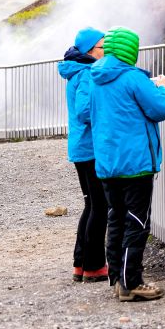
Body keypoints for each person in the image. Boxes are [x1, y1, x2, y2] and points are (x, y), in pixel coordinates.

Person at [88, 26, 165, 302]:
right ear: (130, 50)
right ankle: (130, 282)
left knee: (116, 219)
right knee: (137, 222)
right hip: (135, 164)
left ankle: (117, 278)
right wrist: (163, 89)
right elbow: (161, 110)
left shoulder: (95, 76)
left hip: (107, 162)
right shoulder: (133, 78)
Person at [57, 26, 109, 283]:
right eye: (103, 47)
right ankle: (95, 265)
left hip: (81, 148)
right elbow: (84, 112)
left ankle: (81, 263)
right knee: (100, 205)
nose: (105, 51)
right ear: (90, 50)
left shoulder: (77, 71)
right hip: (90, 148)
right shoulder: (87, 74)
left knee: (91, 204)